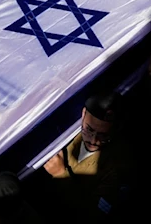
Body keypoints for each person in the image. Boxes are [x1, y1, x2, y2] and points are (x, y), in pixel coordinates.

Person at [37, 90, 132, 222]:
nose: (93, 140)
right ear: (83, 114)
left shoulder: (119, 167)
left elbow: (95, 215)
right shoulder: (67, 131)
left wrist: (61, 175)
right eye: (89, 129)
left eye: (103, 135)